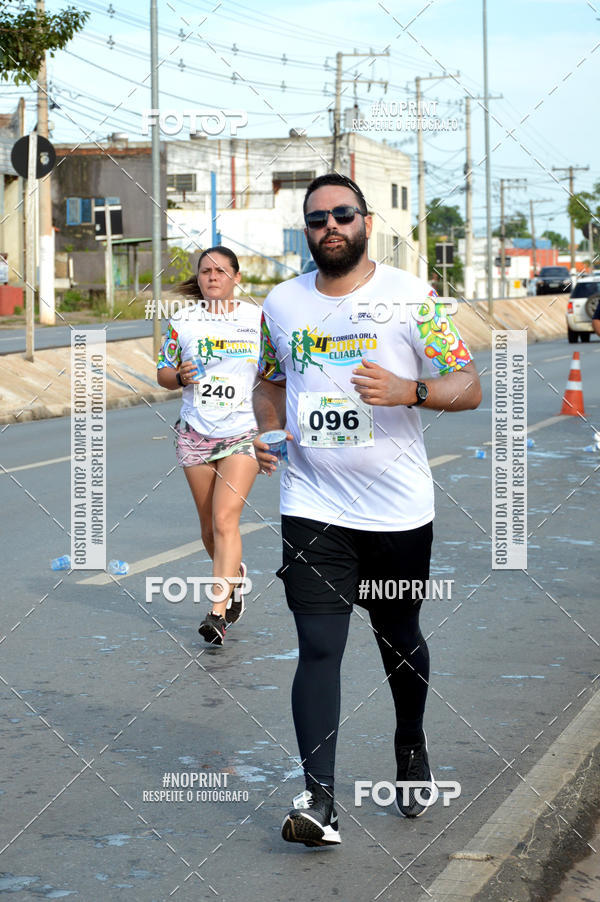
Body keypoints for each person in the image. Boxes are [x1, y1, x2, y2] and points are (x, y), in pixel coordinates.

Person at [253, 174, 481, 847]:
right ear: (307, 229)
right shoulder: (283, 303)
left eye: (342, 214)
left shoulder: (412, 297)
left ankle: (409, 743)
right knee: (319, 647)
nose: (330, 226)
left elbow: (467, 385)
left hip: (397, 512)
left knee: (398, 639)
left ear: (367, 222)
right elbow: (269, 382)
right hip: (312, 503)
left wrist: (411, 390)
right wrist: (267, 431)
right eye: (316, 218)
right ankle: (318, 801)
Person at [157, 246, 261, 646]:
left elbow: (275, 373)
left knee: (224, 519)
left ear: (236, 277)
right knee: (207, 529)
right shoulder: (183, 320)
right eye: (205, 271)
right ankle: (235, 576)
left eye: (220, 270)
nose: (212, 276)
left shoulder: (258, 320)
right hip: (196, 432)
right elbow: (164, 374)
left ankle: (216, 613)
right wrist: (179, 376)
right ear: (198, 279)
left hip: (242, 431)